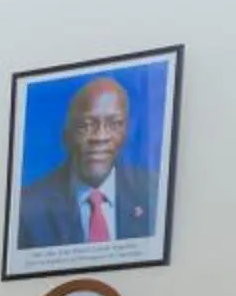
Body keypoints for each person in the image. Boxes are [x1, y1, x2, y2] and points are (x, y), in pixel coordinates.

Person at [15, 75, 159, 249]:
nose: (100, 137)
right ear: (67, 135)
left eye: (114, 124)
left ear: (126, 132)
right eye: (86, 125)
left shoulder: (153, 191)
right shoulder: (29, 207)